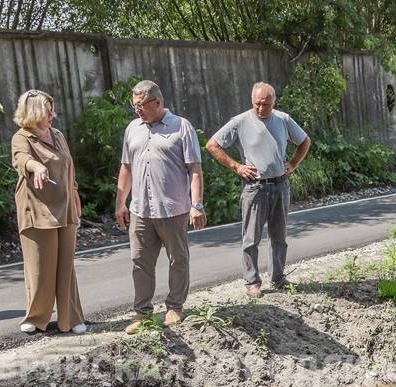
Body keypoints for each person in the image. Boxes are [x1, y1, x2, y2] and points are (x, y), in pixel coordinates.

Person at [114, 80, 206, 334]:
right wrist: (121, 202)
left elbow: (195, 170)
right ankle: (142, 313)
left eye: (141, 105)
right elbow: (126, 167)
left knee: (178, 259)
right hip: (140, 209)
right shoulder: (133, 128)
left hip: (173, 208)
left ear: (157, 102)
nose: (137, 110)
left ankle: (175, 306)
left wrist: (196, 205)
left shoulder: (181, 126)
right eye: (134, 106)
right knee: (139, 261)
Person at [205, 82, 311, 299]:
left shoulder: (283, 119)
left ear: (274, 102)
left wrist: (293, 163)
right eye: (258, 104)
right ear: (252, 101)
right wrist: (237, 166)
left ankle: (278, 277)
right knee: (251, 238)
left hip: (280, 184)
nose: (262, 108)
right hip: (255, 188)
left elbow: (304, 141)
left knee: (279, 236)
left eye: (266, 104)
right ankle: (252, 282)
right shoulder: (240, 121)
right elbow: (212, 145)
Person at [10, 89, 87, 335]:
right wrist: (36, 167)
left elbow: (69, 168)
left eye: (52, 109)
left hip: (64, 207)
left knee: (66, 266)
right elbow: (20, 159)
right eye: (47, 110)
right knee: (40, 267)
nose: (52, 115)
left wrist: (75, 194)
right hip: (36, 208)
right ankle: (36, 317)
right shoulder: (22, 137)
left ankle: (71, 319)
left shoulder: (58, 135)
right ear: (34, 113)